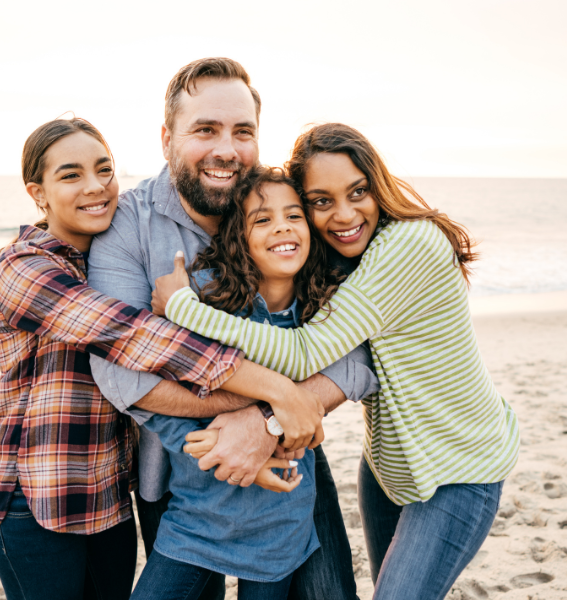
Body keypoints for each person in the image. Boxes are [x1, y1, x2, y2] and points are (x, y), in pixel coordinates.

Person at [154, 123, 520, 600]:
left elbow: (305, 351)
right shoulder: (351, 256)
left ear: (378, 186)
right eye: (322, 202)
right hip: (390, 467)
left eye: (358, 192)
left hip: (460, 466)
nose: (344, 214)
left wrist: (184, 307)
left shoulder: (409, 244)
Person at [0, 117, 324, 600]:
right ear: (38, 193)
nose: (96, 186)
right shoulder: (23, 268)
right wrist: (276, 391)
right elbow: (131, 335)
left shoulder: (104, 254)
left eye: (104, 169)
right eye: (71, 175)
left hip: (109, 493)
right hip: (36, 495)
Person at [88, 59, 376, 600]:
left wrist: (267, 423)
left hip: (289, 467)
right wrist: (262, 408)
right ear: (167, 137)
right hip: (181, 480)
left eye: (242, 131)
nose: (227, 149)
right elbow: (123, 374)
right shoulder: (128, 225)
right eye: (205, 130)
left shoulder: (288, 211)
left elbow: (359, 353)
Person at [130, 166, 376, 600]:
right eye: (261, 219)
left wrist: (274, 427)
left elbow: (355, 373)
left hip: (281, 522)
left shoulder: (326, 312)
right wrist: (223, 452)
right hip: (199, 516)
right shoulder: (206, 297)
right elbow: (158, 402)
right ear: (238, 238)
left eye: (293, 215)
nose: (281, 225)